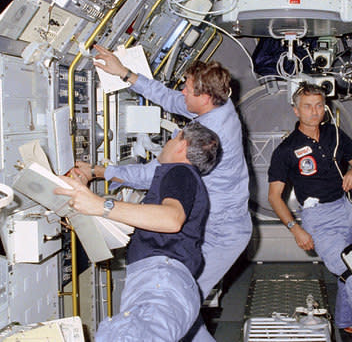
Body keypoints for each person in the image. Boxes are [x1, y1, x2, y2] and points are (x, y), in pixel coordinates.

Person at [82, 44, 252, 341]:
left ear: (205, 97)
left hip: (221, 234)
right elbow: (174, 101)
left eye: (187, 89)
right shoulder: (219, 105)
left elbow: (153, 174)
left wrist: (100, 172)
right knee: (183, 308)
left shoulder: (215, 137)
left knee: (176, 305)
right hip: (220, 225)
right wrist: (126, 74)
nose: (182, 93)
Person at [56, 122, 222, 342]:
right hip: (171, 282)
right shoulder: (181, 176)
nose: (166, 144)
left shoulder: (180, 172)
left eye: (172, 138)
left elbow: (171, 219)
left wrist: (100, 205)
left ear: (183, 145)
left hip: (161, 281)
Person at [267, 82, 352, 342]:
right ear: (296, 110)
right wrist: (295, 228)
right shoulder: (286, 150)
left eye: (319, 106)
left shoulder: (334, 134)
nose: (314, 112)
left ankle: (349, 321)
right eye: (307, 106)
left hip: (345, 211)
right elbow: (274, 197)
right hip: (319, 220)